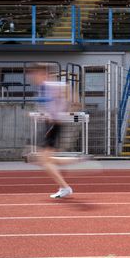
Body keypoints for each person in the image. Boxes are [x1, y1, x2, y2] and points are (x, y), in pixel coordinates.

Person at [27, 64, 84, 198]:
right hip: (49, 124)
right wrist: (43, 113)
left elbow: (67, 88)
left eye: (35, 74)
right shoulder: (42, 88)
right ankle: (76, 162)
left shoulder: (51, 85)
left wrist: (70, 104)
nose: (32, 77)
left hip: (54, 125)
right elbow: (47, 105)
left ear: (42, 74)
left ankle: (65, 187)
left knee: (44, 160)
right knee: (44, 160)